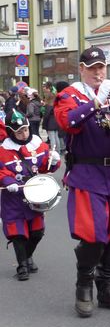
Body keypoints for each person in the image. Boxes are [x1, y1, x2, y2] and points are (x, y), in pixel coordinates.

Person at [54, 46, 110, 318]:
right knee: (92, 235)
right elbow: (68, 122)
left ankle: (108, 288)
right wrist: (95, 102)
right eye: (92, 68)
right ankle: (84, 288)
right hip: (88, 173)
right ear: (81, 69)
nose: (98, 73)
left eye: (101, 67)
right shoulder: (69, 95)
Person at [0, 111, 60, 280]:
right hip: (14, 199)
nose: (24, 134)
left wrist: (54, 162)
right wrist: (8, 181)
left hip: (34, 197)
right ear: (11, 132)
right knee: (18, 234)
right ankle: (22, 266)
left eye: (25, 130)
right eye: (19, 132)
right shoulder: (3, 150)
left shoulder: (39, 145)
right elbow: (1, 171)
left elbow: (44, 169)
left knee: (37, 232)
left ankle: (27, 256)